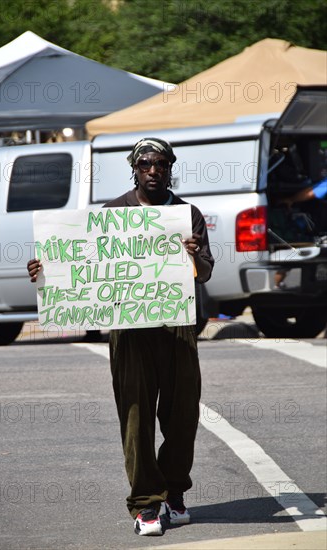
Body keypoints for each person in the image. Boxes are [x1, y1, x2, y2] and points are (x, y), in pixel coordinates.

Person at [27, 137, 214, 536]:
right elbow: (82, 261)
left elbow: (206, 271)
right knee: (136, 418)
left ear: (169, 168)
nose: (153, 170)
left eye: (160, 164)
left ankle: (175, 493)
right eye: (145, 163)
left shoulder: (186, 214)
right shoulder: (114, 213)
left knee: (182, 417)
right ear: (134, 167)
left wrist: (193, 253)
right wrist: (47, 271)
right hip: (130, 328)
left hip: (177, 326)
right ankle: (146, 504)